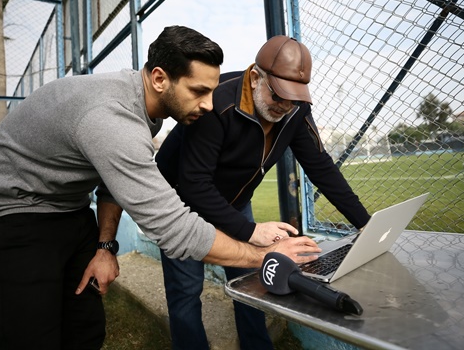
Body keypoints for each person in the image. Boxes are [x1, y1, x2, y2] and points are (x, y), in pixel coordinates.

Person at [0, 26, 320, 350]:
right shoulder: (114, 121)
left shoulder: (144, 109)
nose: (210, 105)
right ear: (160, 78)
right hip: (10, 210)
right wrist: (265, 256)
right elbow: (174, 229)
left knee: (86, 330)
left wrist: (104, 247)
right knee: (31, 336)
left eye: (212, 91)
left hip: (67, 207)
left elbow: (111, 183)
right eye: (199, 91)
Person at [153, 35, 372, 350]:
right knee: (186, 292)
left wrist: (363, 222)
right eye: (278, 94)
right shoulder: (217, 103)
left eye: (293, 98)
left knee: (252, 286)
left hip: (235, 203)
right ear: (256, 77)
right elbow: (194, 184)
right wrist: (250, 231)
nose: (285, 106)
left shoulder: (294, 110)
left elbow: (320, 166)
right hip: (183, 205)